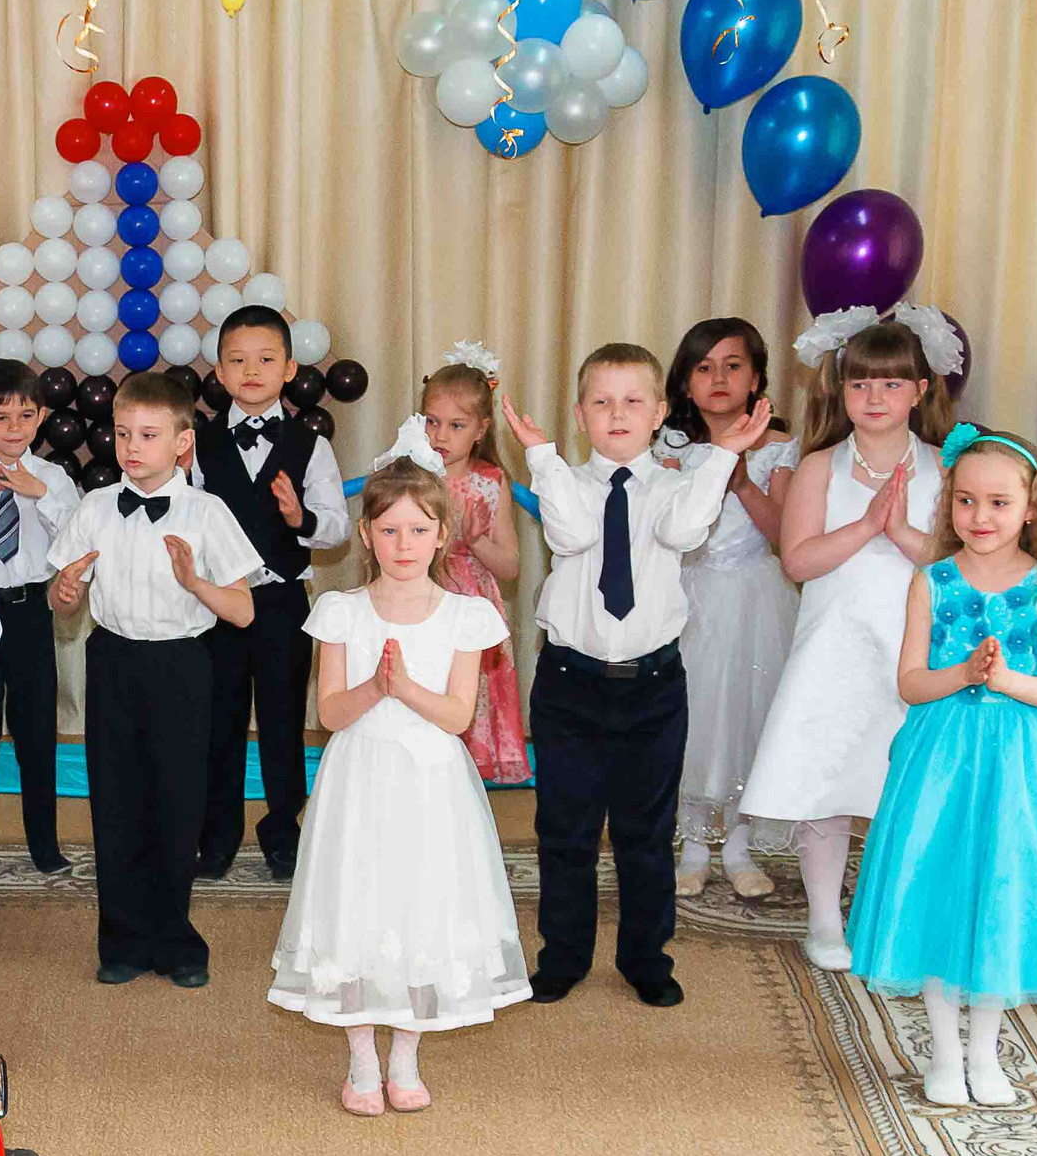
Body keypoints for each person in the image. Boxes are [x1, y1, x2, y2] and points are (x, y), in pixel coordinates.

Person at [847, 427, 1037, 1105]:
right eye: (965, 501)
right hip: (941, 761)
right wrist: (964, 671)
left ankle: (986, 1054)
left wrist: (1004, 683)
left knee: (1003, 887)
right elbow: (911, 681)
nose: (980, 516)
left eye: (998, 502)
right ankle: (943, 1053)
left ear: (1032, 508)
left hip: (1023, 764)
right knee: (938, 887)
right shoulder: (930, 580)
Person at [502, 345, 770, 1008]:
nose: (616, 413)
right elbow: (566, 535)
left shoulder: (681, 485)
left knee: (644, 833)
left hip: (652, 686)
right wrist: (540, 455)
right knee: (565, 828)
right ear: (580, 414)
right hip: (570, 683)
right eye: (601, 401)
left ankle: (645, 956)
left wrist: (723, 457)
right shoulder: (564, 480)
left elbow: (684, 531)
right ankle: (563, 954)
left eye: (631, 401)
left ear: (657, 413)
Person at [268, 439, 530, 1116]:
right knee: (357, 900)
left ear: (442, 533)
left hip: (429, 781)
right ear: (366, 533)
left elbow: (454, 716)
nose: (404, 543)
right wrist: (376, 688)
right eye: (389, 529)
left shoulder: (465, 616)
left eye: (418, 529)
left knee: (421, 902)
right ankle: (360, 1055)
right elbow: (329, 712)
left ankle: (406, 1052)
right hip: (359, 778)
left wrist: (406, 686)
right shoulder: (341, 611)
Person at [742, 312, 959, 969]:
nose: (874, 398)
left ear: (920, 391)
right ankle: (824, 919)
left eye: (891, 386)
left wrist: (901, 535)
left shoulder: (946, 467)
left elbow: (958, 564)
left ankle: (899, 912)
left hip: (912, 648)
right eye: (861, 384)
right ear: (842, 391)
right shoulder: (818, 467)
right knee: (827, 781)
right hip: (834, 646)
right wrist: (866, 527)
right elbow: (797, 559)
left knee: (907, 786)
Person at [49, 370, 258, 987]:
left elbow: (243, 610)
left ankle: (176, 939)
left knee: (176, 801)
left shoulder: (206, 511)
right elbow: (63, 603)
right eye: (121, 433)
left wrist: (196, 583)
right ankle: (121, 940)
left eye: (148, 434)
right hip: (112, 659)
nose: (131, 446)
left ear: (182, 443)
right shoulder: (93, 509)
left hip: (183, 664)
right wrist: (63, 593)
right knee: (115, 801)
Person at [192, 305, 349, 880]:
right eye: (237, 360)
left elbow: (337, 526)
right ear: (221, 371)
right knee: (220, 721)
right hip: (219, 606)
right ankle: (217, 834)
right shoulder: (198, 442)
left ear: (289, 368)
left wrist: (300, 515)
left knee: (283, 720)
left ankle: (283, 829)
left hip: (283, 601)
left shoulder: (312, 444)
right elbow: (184, 517)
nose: (251, 370)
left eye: (265, 359)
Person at [658, 318, 800, 899]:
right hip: (689, 596)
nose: (719, 377)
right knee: (693, 720)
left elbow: (784, 536)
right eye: (704, 367)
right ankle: (693, 844)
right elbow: (664, 532)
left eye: (733, 365)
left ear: (757, 378)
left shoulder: (780, 448)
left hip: (754, 597)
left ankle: (738, 844)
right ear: (686, 383)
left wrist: (742, 482)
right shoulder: (670, 446)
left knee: (748, 716)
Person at [0, 358, 83, 876]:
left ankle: (45, 843)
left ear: (41, 418)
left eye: (26, 416)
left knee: (37, 732)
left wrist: (41, 495)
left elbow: (77, 544)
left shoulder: (54, 477)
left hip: (32, 609)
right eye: (1, 417)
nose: (15, 428)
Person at [416, 344, 529, 784]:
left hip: (471, 610)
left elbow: (511, 566)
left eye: (456, 425)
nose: (441, 435)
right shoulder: (411, 475)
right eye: (432, 422)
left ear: (480, 429)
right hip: (421, 601)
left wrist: (475, 540)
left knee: (467, 697)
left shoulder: (490, 481)